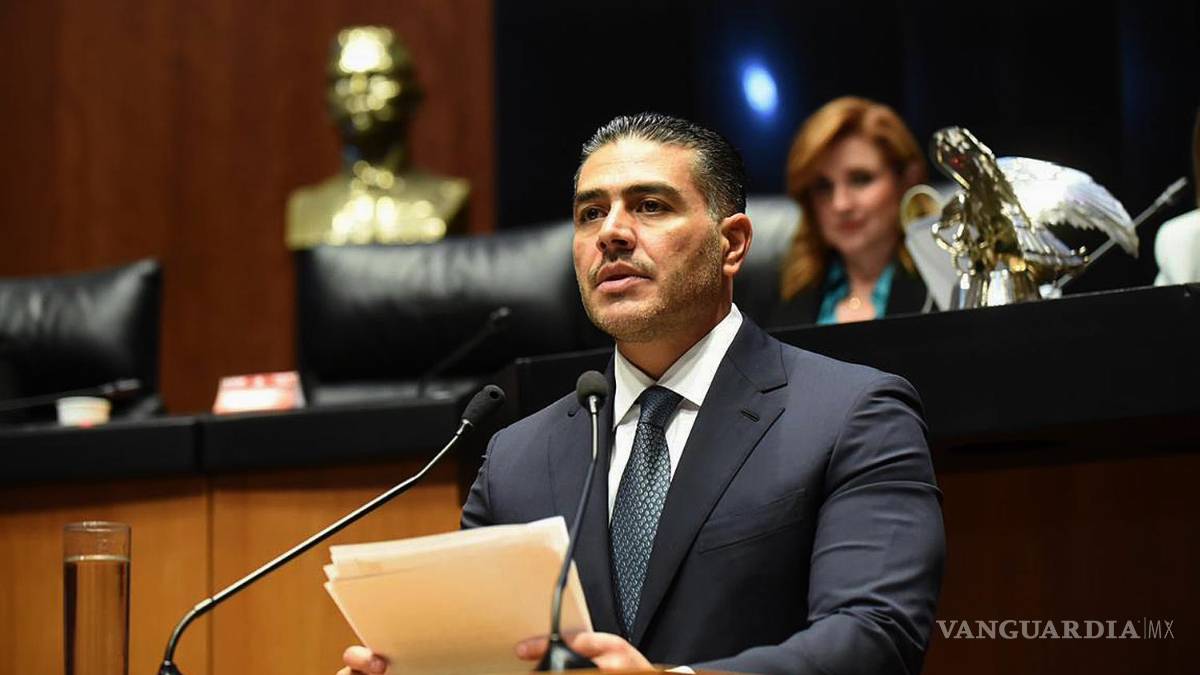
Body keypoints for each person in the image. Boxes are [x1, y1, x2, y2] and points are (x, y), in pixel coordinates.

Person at [340, 113, 944, 674]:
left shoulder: (851, 414)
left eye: (650, 206)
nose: (611, 233)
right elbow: (482, 654)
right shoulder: (515, 458)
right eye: (590, 213)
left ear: (732, 243)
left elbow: (876, 634)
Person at [771, 96, 933, 328]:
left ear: (907, 181)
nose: (841, 204)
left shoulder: (945, 287)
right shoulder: (782, 294)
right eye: (823, 187)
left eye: (860, 179)